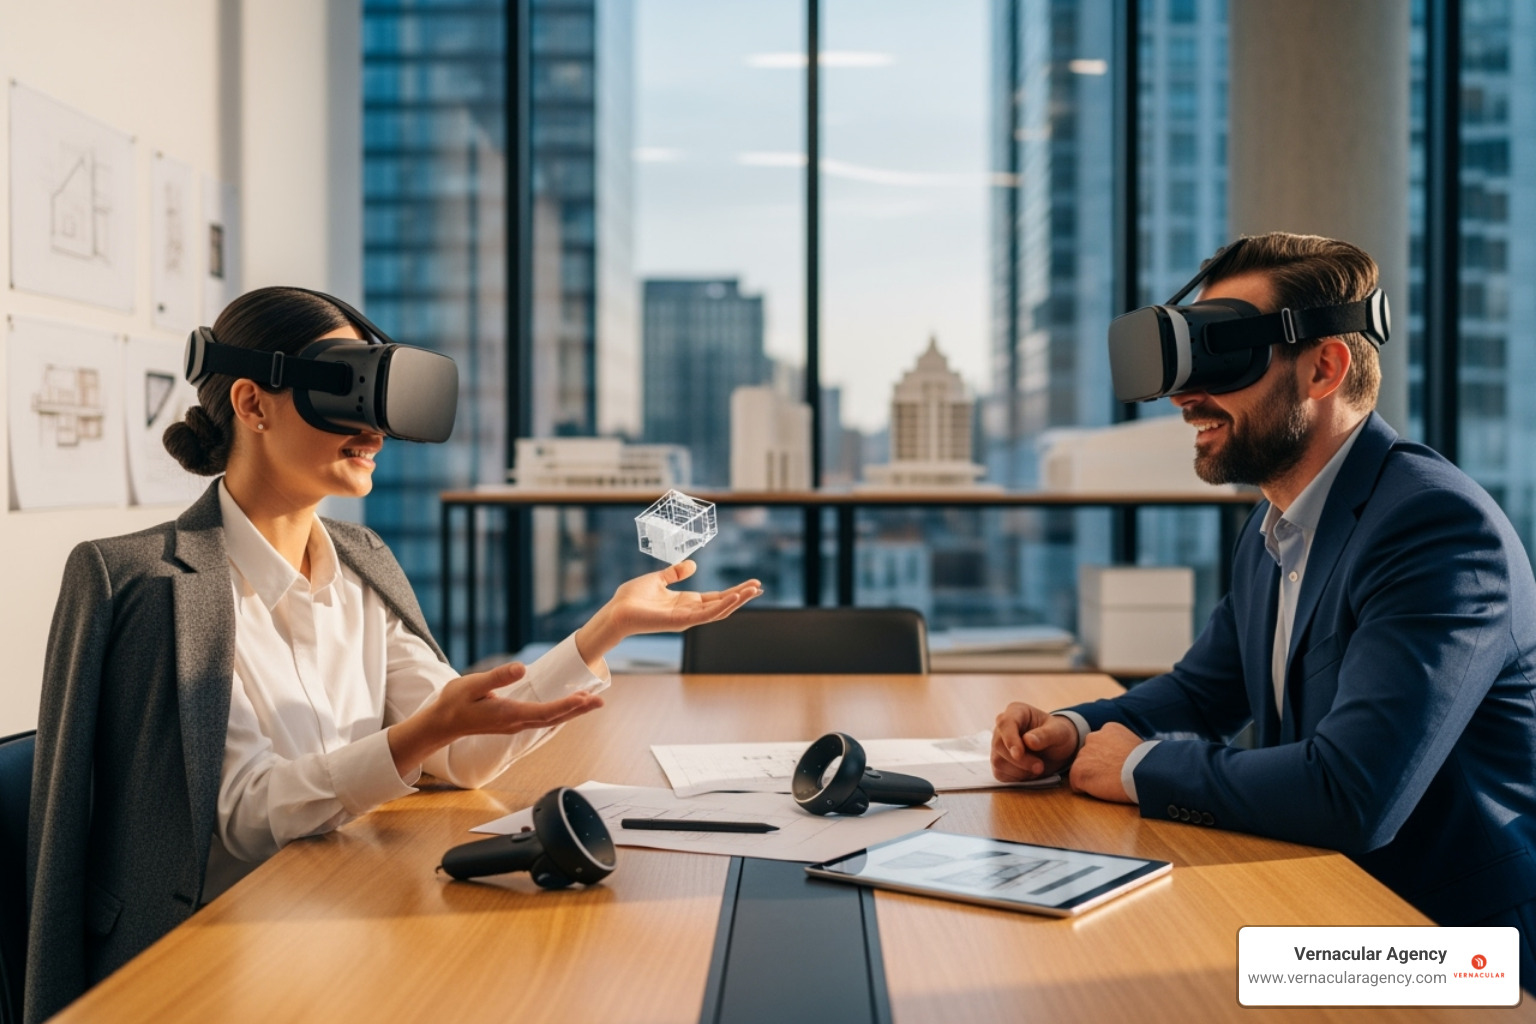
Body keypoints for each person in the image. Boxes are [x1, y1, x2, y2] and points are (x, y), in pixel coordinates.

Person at [25, 287, 762, 1023]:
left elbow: (463, 754)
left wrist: (606, 629)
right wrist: (420, 736)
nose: (373, 432)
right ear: (253, 405)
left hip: (352, 909)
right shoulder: (148, 581)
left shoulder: (361, 560)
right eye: (346, 391)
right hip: (214, 956)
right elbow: (247, 816)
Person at [992, 232, 1536, 988]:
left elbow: (1353, 795)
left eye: (1223, 355)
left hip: (1444, 953)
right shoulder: (1279, 523)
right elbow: (1201, 692)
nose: (1185, 397)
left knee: (1124, 979)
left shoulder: (1436, 530)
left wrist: (1142, 767)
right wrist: (1075, 730)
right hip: (1327, 908)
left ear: (1324, 366)